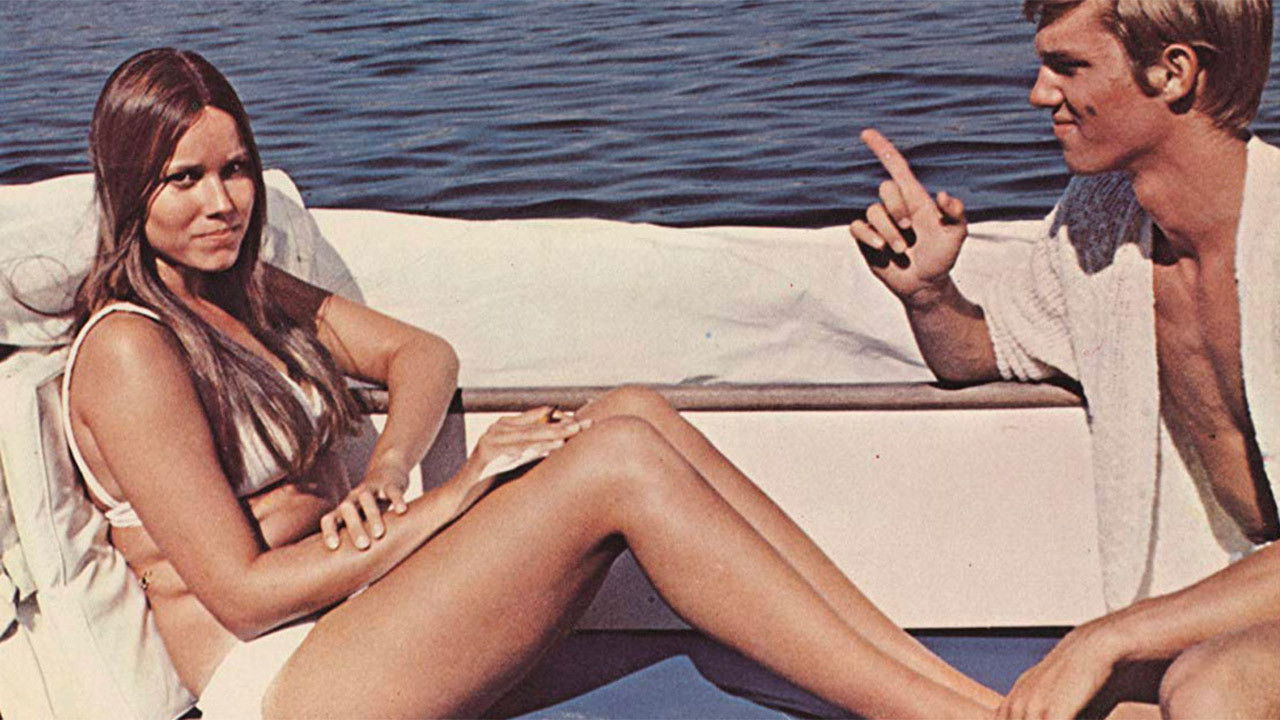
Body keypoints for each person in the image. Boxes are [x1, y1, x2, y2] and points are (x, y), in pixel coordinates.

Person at [66, 47, 1015, 719]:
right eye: (184, 179)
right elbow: (243, 596)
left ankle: (956, 695)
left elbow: (421, 355)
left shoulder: (246, 291)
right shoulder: (131, 350)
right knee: (618, 464)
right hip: (281, 680)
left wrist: (389, 469)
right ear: (129, 188)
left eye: (236, 170)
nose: (223, 203)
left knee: (633, 412)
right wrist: (457, 493)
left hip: (355, 617)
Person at [850, 0, 1280, 717]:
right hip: (1245, 604)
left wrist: (1106, 638)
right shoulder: (1100, 220)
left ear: (1174, 72)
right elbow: (990, 350)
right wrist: (928, 293)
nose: (1038, 93)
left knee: (1212, 688)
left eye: (1068, 67)